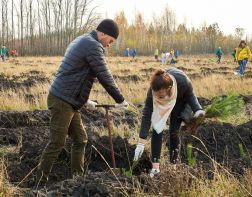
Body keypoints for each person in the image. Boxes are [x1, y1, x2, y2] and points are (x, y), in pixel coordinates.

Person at [35, 19, 129, 186]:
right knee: (57, 142)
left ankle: (76, 181)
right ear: (103, 33)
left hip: (68, 99)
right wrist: (120, 100)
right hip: (62, 100)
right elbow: (104, 75)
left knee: (80, 139)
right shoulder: (92, 45)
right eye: (110, 41)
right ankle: (39, 185)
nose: (109, 45)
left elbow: (75, 74)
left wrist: (85, 101)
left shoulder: (83, 39)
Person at [133, 68, 205, 177]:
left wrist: (198, 109)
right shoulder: (153, 92)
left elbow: (190, 95)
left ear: (168, 88)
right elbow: (147, 114)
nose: (157, 96)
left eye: (160, 95)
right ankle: (155, 168)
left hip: (179, 99)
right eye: (156, 94)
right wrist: (141, 142)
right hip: (162, 104)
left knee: (174, 131)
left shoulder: (182, 82)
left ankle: (173, 166)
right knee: (157, 128)